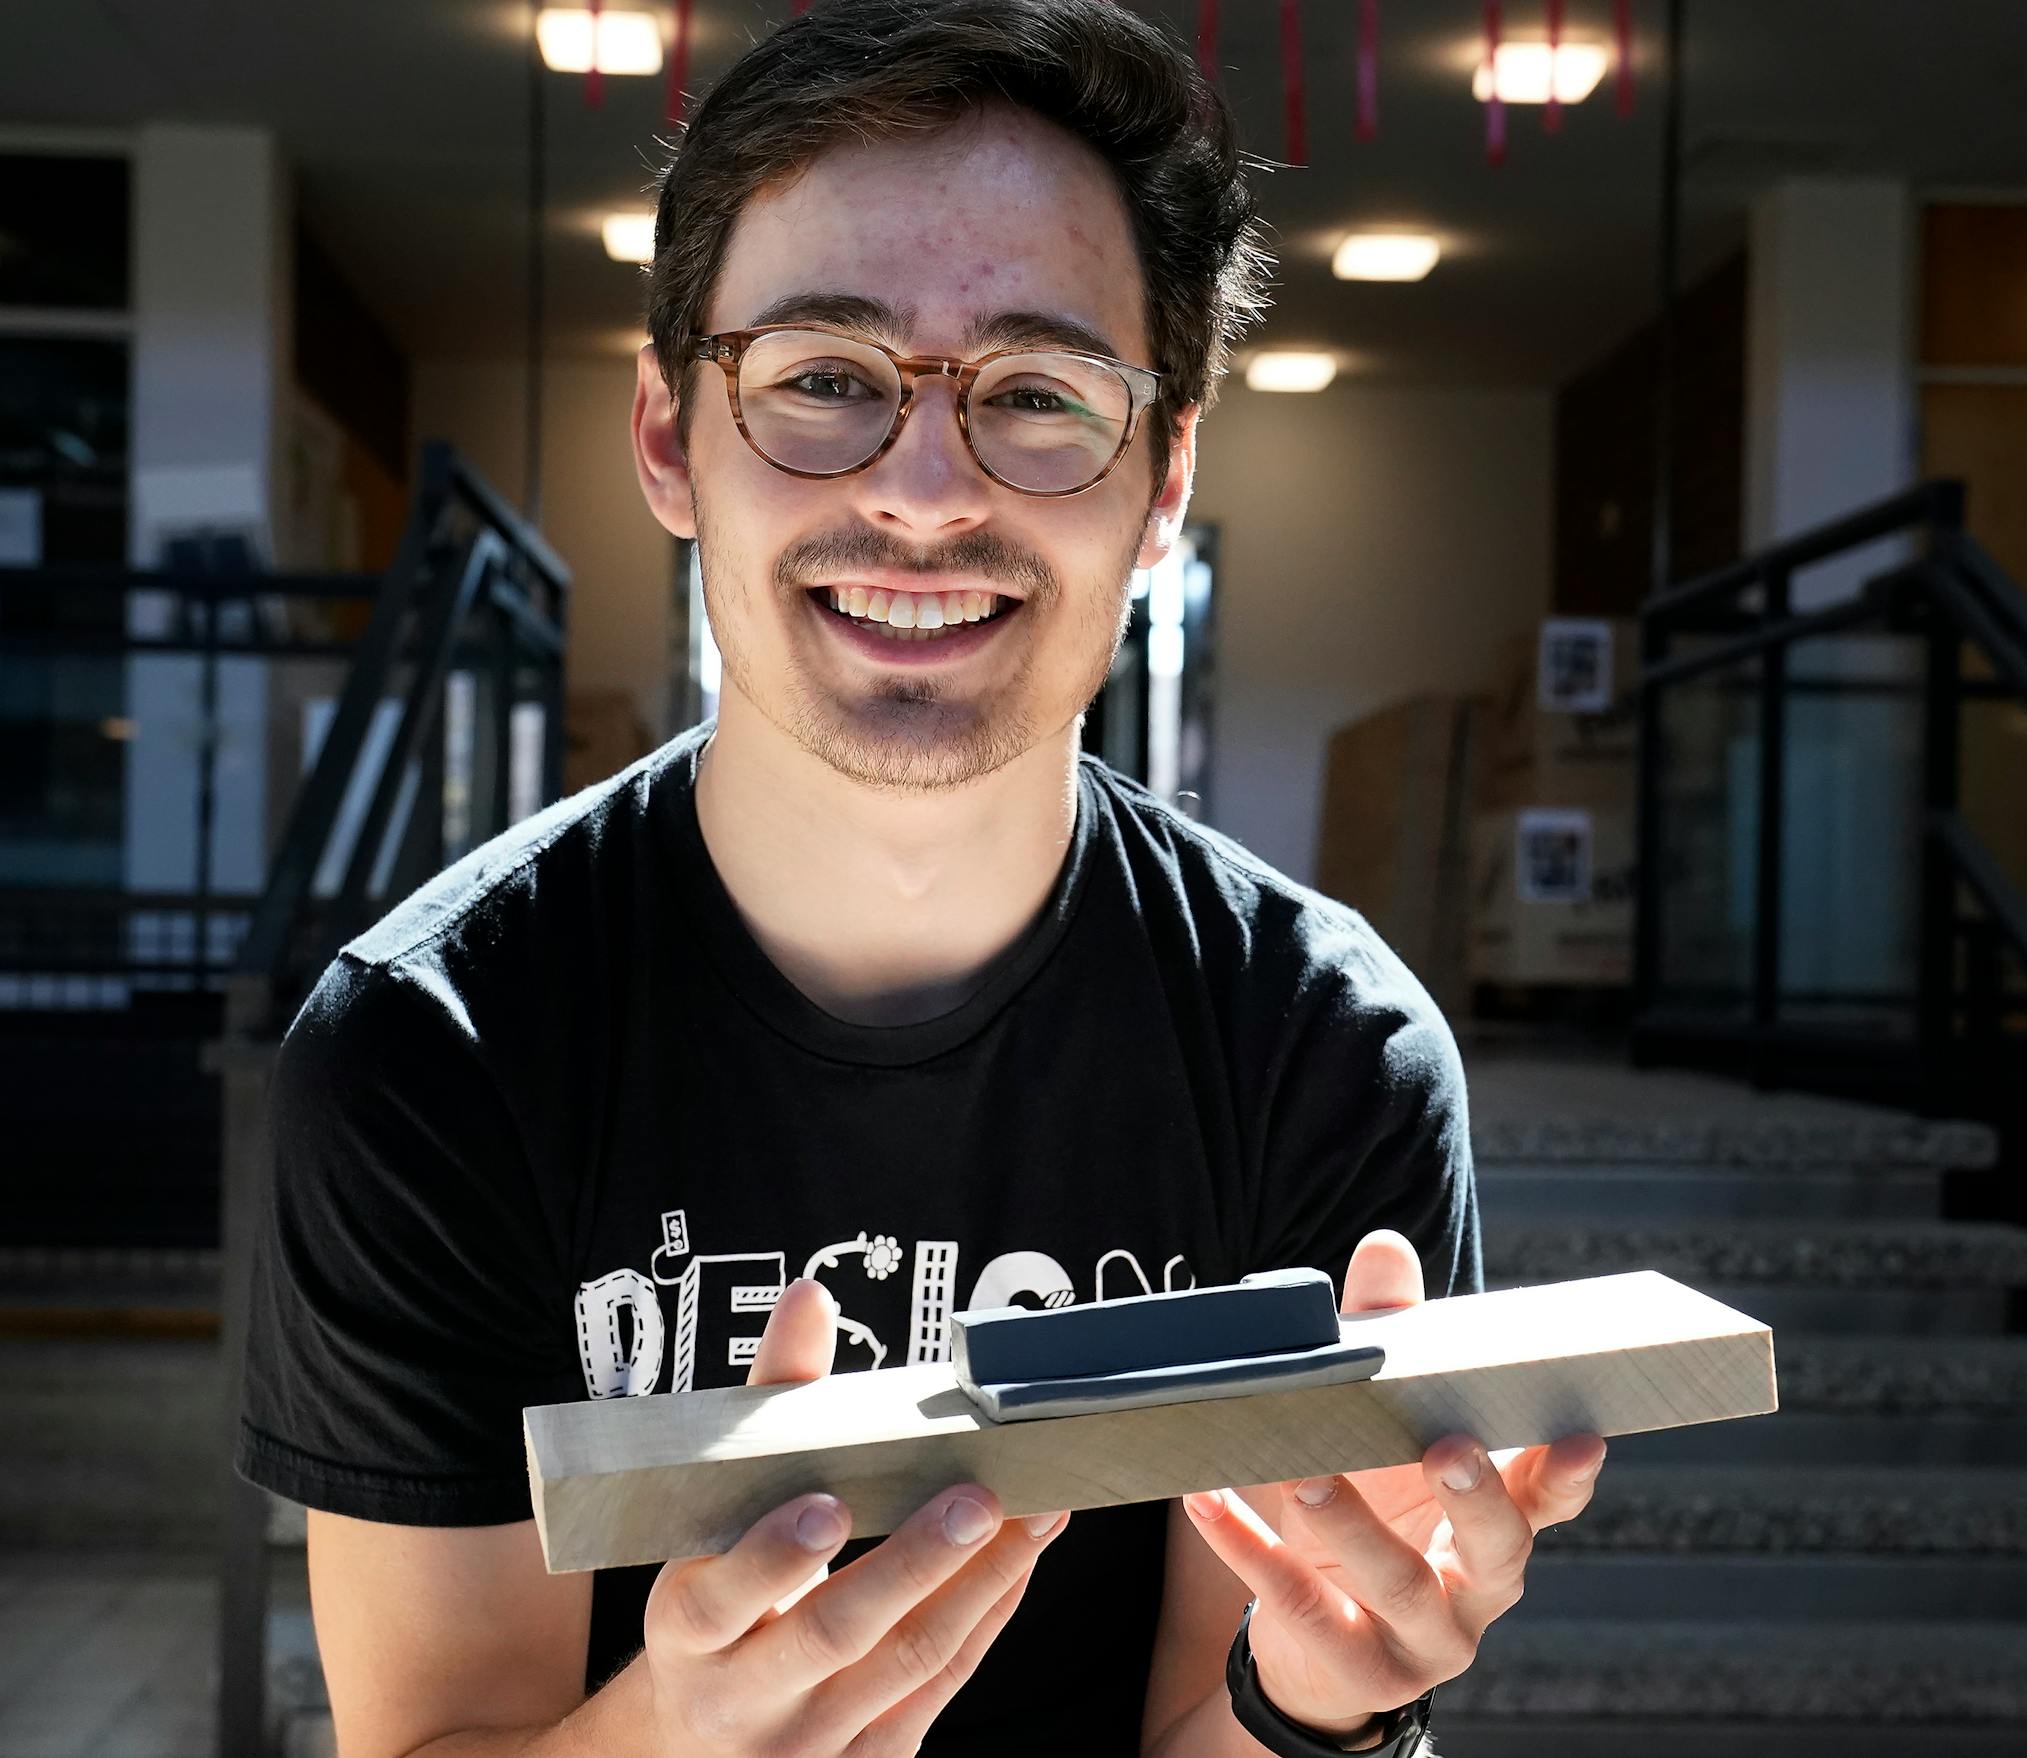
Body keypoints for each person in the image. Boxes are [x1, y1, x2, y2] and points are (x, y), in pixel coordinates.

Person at [236, 3, 1606, 1754]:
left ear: (1164, 473)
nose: (927, 491)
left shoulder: (1323, 1051)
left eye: (1039, 396)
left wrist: (1319, 1699)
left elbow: (1223, 1709)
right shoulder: (434, 1048)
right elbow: (433, 1731)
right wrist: (678, 1733)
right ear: (670, 436)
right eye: (823, 378)